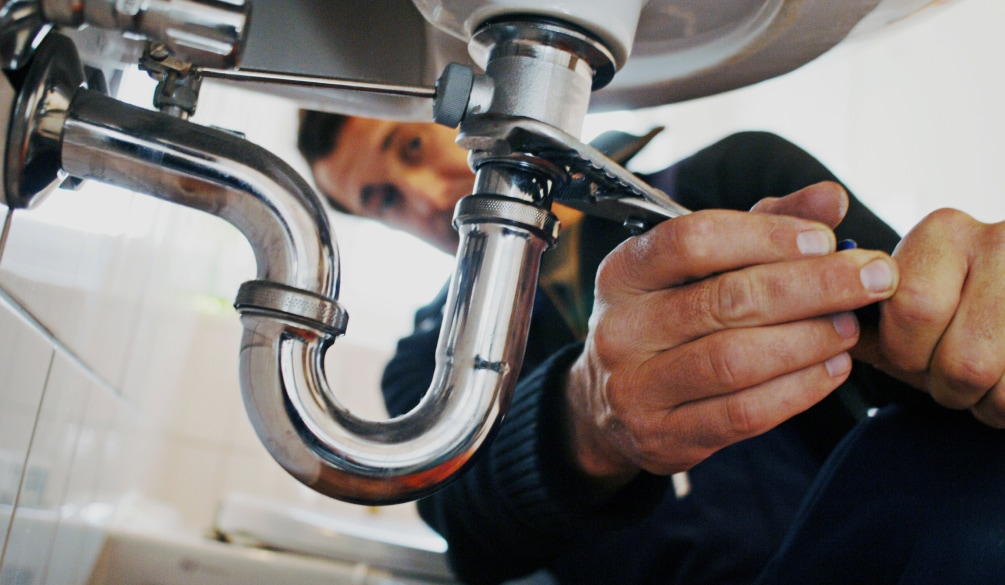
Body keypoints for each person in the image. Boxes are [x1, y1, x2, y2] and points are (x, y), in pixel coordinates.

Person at [297, 111, 1005, 584]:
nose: (421, 198)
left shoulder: (730, 187)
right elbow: (473, 530)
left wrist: (970, 309)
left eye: (411, 148)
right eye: (382, 200)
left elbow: (943, 362)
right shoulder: (428, 363)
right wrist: (585, 418)